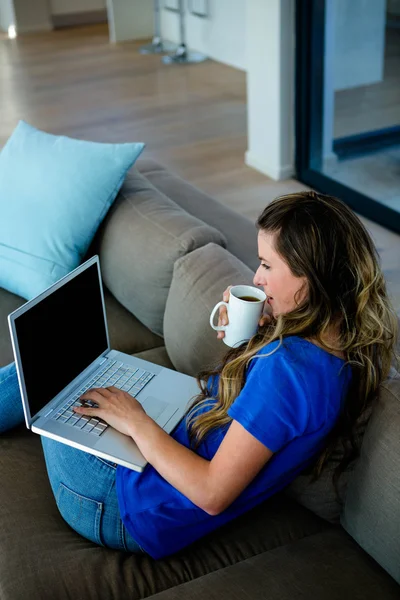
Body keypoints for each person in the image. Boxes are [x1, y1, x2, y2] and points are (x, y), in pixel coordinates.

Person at [0, 191, 398, 559]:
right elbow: (257, 412)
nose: (257, 278)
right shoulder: (338, 345)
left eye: (266, 264)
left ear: (311, 276)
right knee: (61, 367)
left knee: (48, 371)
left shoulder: (289, 372)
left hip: (123, 505)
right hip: (163, 456)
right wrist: (254, 333)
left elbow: (211, 493)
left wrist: (136, 421)